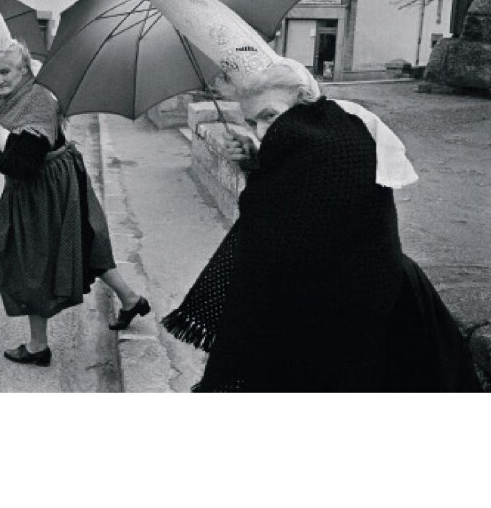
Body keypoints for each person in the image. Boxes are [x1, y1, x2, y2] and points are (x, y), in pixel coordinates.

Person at [163, 60, 481, 392]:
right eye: (252, 122)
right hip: (367, 293)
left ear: (304, 100)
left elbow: (272, 234)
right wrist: (255, 163)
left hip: (360, 312)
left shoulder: (324, 143)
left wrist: (262, 169)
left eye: (270, 116)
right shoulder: (334, 127)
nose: (261, 131)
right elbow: (287, 211)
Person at [0, 39, 149, 367]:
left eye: (5, 72)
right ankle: (131, 300)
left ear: (24, 69)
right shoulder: (25, 89)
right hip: (56, 182)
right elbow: (8, 90)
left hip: (42, 189)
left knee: (31, 261)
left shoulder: (37, 102)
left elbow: (24, 162)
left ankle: (38, 347)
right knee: (83, 244)